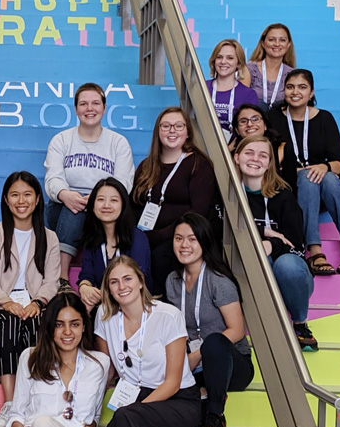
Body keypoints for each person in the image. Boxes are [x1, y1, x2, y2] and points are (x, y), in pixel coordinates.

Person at [0, 171, 61, 427]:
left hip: (36, 305)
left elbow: (52, 281)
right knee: (13, 322)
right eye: (14, 194)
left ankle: (34, 400)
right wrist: (7, 302)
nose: (21, 200)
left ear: (37, 200)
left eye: (27, 194)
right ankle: (12, 404)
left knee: (34, 324)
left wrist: (37, 302)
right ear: (5, 199)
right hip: (0, 306)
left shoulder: (50, 237)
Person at [165, 212, 254, 427]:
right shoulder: (172, 281)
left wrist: (197, 355)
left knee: (214, 341)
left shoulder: (218, 281)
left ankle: (215, 415)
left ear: (204, 241)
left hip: (231, 363)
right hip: (194, 364)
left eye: (192, 239)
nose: (184, 245)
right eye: (178, 238)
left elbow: (236, 330)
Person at [95, 256, 201, 427]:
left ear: (141, 281)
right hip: (133, 399)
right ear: (108, 288)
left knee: (126, 419)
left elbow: (173, 383)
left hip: (177, 401)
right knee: (125, 422)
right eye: (114, 282)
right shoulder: (104, 316)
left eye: (128, 279)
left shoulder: (168, 315)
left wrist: (136, 408)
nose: (121, 286)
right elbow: (107, 371)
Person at [268, 69, 340, 275]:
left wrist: (325, 166)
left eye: (302, 87)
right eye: (290, 87)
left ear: (311, 93)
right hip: (289, 186)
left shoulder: (325, 118)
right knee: (307, 177)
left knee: (328, 178)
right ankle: (314, 249)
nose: (295, 92)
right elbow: (270, 161)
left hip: (323, 188)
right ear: (284, 90)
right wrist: (299, 170)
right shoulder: (273, 119)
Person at [44, 83, 135, 287]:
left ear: (104, 107)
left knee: (77, 211)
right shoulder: (61, 140)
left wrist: (97, 200)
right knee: (71, 208)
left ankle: (61, 277)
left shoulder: (118, 143)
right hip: (63, 205)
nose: (89, 109)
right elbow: (53, 178)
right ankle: (60, 275)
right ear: (76, 109)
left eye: (95, 103)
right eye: (83, 104)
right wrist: (65, 194)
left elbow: (123, 183)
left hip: (104, 207)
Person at [233, 136, 318, 351]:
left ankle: (299, 324)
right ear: (236, 157)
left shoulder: (283, 197)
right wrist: (263, 232)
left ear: (270, 164)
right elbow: (219, 228)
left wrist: (272, 245)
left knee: (285, 264)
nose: (255, 159)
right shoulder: (228, 195)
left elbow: (297, 248)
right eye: (249, 153)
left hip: (290, 276)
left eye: (263, 155)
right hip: (249, 270)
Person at [131, 107, 217, 295]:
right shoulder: (146, 166)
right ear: (157, 131)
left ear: (187, 133)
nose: (172, 130)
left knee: (160, 257)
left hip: (180, 237)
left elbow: (198, 211)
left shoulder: (198, 165)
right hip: (146, 234)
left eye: (179, 126)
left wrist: (159, 235)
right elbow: (134, 204)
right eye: (166, 126)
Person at [6, 292, 110, 427]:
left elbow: (94, 414)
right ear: (49, 327)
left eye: (74, 324)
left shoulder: (99, 363)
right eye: (59, 324)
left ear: (84, 327)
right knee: (40, 426)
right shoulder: (30, 358)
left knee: (42, 424)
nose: (67, 332)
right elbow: (16, 414)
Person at [77, 177, 152, 312]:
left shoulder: (137, 237)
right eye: (100, 200)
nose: (106, 205)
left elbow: (137, 280)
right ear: (92, 205)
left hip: (134, 306)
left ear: (123, 205)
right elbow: (86, 274)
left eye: (114, 200)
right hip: (105, 306)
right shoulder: (92, 238)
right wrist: (84, 287)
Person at [205, 39, 258, 140]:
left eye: (230, 58)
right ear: (214, 61)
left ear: (238, 63)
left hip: (234, 150)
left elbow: (250, 130)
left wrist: (229, 150)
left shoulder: (248, 94)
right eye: (219, 57)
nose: (223, 62)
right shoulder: (202, 88)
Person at [243, 23, 295, 111]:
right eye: (272, 40)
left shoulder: (292, 74)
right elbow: (240, 100)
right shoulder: (249, 69)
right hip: (253, 122)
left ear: (288, 44)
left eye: (282, 40)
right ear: (263, 43)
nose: (277, 44)